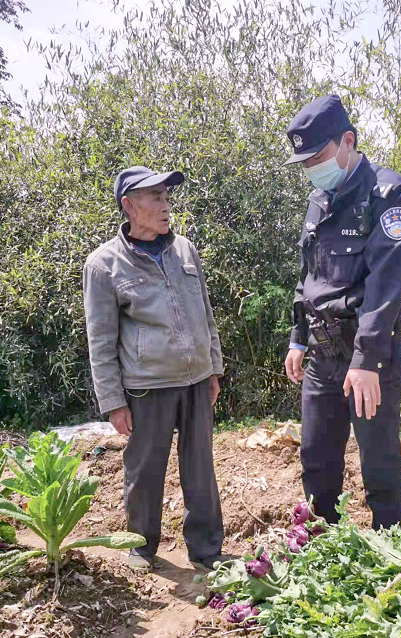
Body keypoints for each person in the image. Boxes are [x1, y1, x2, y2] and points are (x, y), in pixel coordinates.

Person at [283, 95, 401, 530]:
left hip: (367, 355)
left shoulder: (388, 193)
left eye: (317, 158)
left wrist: (366, 361)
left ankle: (392, 563)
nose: (311, 171)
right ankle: (321, 556)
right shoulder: (320, 199)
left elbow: (386, 283)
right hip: (322, 355)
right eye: (304, 164)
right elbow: (308, 274)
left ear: (348, 141)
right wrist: (298, 338)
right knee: (317, 461)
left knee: (379, 464)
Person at [83, 166, 224, 571]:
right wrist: (112, 401)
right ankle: (141, 545)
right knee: (145, 468)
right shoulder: (104, 265)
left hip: (196, 379)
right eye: (156, 198)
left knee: (200, 465)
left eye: (167, 197)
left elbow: (205, 313)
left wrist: (213, 367)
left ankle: (206, 547)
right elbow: (101, 340)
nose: (166, 207)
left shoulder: (184, 250)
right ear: (129, 206)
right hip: (147, 385)